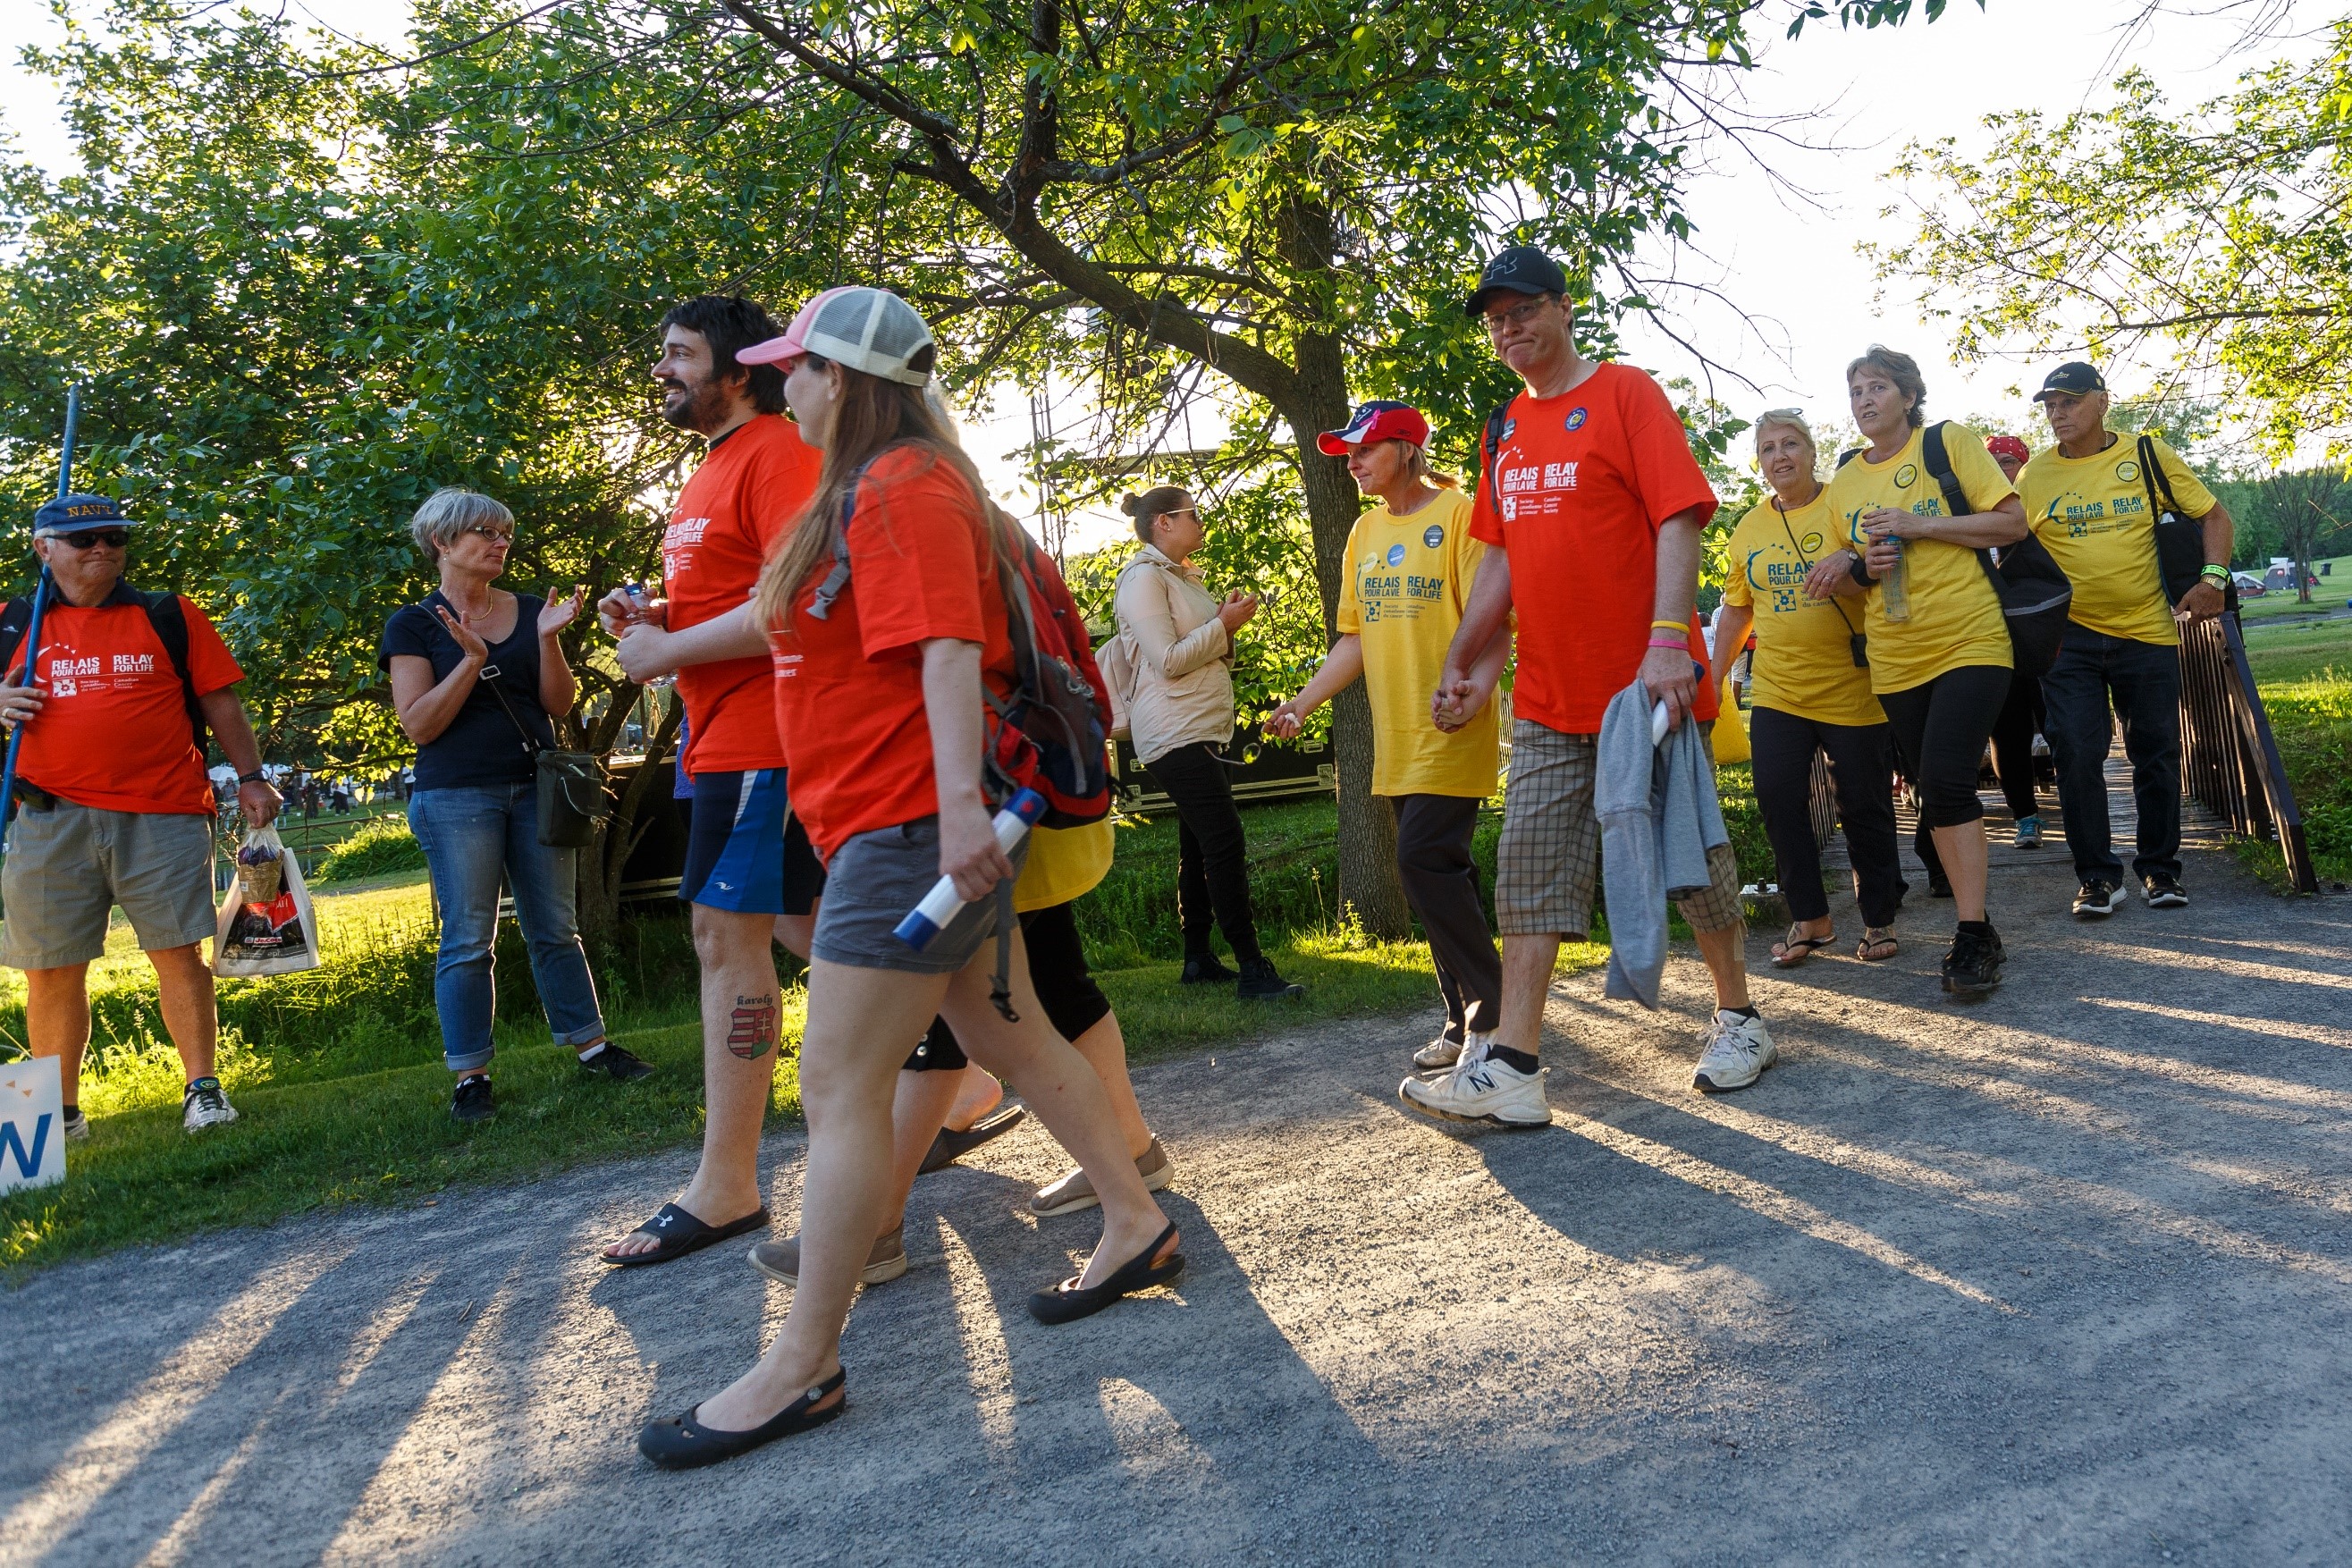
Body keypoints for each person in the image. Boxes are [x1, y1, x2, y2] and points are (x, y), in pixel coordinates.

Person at [635, 286, 1178, 1469]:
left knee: (833, 1086)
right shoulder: (856, 489)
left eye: (801, 369)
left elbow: (942, 646)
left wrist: (950, 816)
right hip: (882, 825)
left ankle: (801, 1364)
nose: (783, 385)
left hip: (904, 830)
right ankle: (1133, 1216)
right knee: (1011, 1031)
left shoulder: (906, 485)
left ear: (848, 380)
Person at [1421, 245, 1772, 1117]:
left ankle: (1739, 1016)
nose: (1510, 330)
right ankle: (1515, 1068)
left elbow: (1679, 518)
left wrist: (1666, 639)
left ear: (1563, 307)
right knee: (1529, 868)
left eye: (1523, 311)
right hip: (1545, 693)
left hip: (1641, 692)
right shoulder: (1503, 427)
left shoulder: (1627, 395)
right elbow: (1501, 560)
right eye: (1497, 321)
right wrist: (1463, 660)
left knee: (1687, 861)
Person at [594, 295, 823, 1264]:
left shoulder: (777, 449)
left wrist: (666, 645)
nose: (665, 371)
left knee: (723, 933)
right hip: (722, 738)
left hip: (766, 738)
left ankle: (728, 1184)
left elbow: (799, 597)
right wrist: (652, 615)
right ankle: (972, 1072)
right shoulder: (712, 469)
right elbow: (732, 595)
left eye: (681, 354)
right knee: (808, 927)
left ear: (738, 369)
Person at [747, 814, 1174, 1286]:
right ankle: (1132, 1165)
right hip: (1003, 822)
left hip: (968, 830)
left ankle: (869, 1231)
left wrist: (959, 813)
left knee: (959, 1018)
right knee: (1049, 988)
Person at [0, 493, 282, 1138]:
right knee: (49, 967)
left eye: (114, 537)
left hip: (163, 811)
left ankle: (202, 1091)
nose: (103, 549)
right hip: (48, 817)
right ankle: (56, 1117)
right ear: (44, 549)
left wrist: (251, 777)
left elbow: (222, 704)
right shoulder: (13, 624)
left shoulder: (167, 614)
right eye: (84, 539)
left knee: (178, 952)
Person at [381, 488, 647, 1122]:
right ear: (443, 543)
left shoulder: (531, 610)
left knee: (556, 927)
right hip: (455, 797)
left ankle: (592, 1047)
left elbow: (558, 706)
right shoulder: (413, 624)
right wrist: (471, 662)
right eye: (484, 533)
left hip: (536, 791)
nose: (500, 543)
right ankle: (471, 1076)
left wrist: (549, 640)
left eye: (504, 533)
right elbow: (418, 725)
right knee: (469, 938)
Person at [1267, 400, 1503, 1071]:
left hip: (1451, 720)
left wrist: (1476, 690)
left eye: (1364, 450)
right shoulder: (1364, 533)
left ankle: (1495, 1008)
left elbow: (1493, 619)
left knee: (1421, 863)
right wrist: (1303, 702)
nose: (1352, 463)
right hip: (1396, 734)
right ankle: (1462, 1022)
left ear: (1405, 449)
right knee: (1439, 876)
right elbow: (1356, 638)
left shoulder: (1458, 516)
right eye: (1346, 453)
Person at [1814, 346, 2027, 996]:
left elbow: (2011, 524)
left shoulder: (1946, 443)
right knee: (1935, 790)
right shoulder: (1844, 482)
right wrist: (1858, 571)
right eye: (1854, 392)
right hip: (1895, 656)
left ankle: (1971, 933)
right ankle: (1975, 926)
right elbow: (1850, 577)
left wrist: (1919, 524)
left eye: (1876, 387)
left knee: (1944, 780)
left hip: (1970, 639)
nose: (1864, 401)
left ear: (1907, 396)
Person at [2016, 361, 2236, 916]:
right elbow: (2013, 548)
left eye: (2069, 401)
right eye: (2050, 405)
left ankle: (2160, 871)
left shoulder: (2147, 455)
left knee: (2156, 755)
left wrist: (2213, 581)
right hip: (2070, 640)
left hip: (2149, 633)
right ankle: (2096, 876)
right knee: (2076, 755)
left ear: (2102, 401)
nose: (2057, 414)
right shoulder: (2034, 476)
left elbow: (2214, 517)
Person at [1712, 410, 1904, 968]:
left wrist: (1848, 559)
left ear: (1812, 450)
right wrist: (1714, 675)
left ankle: (1878, 919)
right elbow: (1737, 607)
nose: (1780, 456)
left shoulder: (1843, 503)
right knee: (1777, 799)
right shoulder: (1748, 527)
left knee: (1865, 805)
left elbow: (1881, 562)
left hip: (1853, 687)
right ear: (1760, 461)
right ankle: (1812, 920)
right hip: (1778, 689)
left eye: (1791, 443)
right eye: (1768, 447)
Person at [1114, 487, 1303, 1001]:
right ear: (1163, 523)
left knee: (1198, 846)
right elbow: (1168, 659)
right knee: (1224, 841)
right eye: (1192, 515)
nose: (1202, 522)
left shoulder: (1181, 578)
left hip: (1200, 729)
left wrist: (1225, 624)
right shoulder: (1142, 580)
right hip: (1173, 731)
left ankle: (1197, 959)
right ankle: (1251, 967)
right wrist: (1224, 624)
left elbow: (1205, 652)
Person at [1981, 433, 2049, 850]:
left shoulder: (2037, 508)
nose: (1999, 469)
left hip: (2041, 637)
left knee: (2062, 723)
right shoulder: (1970, 515)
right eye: (1991, 462)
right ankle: (2026, 815)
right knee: (2008, 732)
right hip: (1991, 638)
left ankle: (2079, 804)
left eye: (2008, 461)